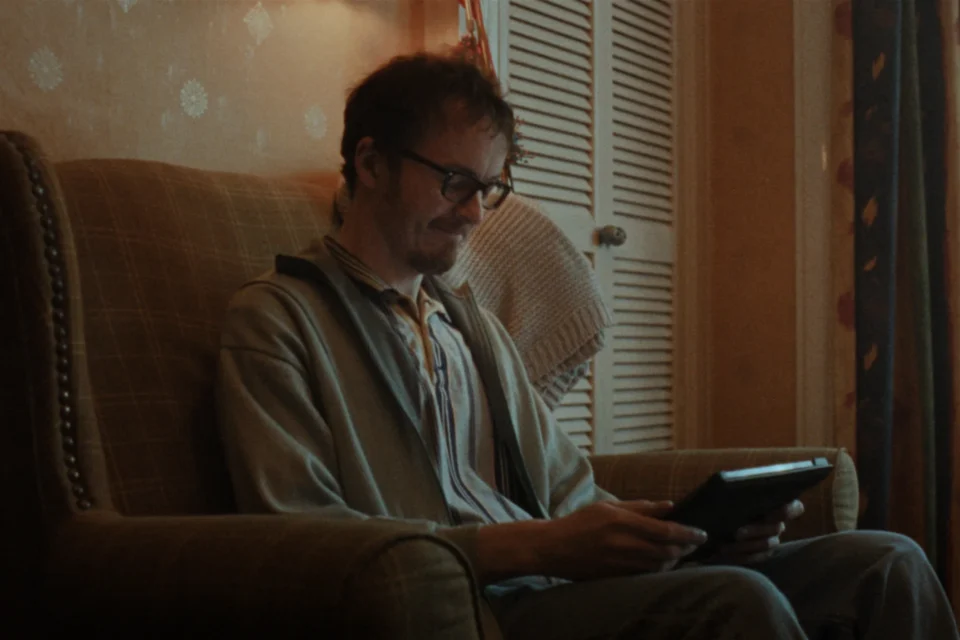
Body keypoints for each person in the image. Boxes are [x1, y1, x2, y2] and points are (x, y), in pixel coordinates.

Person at [216, 50, 959, 640]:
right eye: (453, 181)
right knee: (734, 603)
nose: (474, 214)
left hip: (563, 582)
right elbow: (300, 541)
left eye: (488, 188)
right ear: (371, 163)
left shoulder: (470, 325)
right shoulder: (278, 320)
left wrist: (691, 537)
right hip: (481, 605)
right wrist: (537, 548)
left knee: (886, 562)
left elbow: (571, 491)